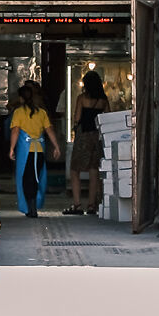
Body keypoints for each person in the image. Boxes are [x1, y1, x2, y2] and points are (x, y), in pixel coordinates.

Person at [7, 81, 59, 217]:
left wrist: (11, 148)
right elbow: (49, 130)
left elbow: (15, 131)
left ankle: (30, 209)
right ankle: (34, 207)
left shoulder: (18, 112)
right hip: (39, 151)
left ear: (21, 98)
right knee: (36, 179)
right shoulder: (41, 113)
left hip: (25, 153)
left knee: (26, 180)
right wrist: (56, 147)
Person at [64, 70, 109, 215]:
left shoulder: (82, 98)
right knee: (94, 170)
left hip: (83, 136)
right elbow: (108, 117)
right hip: (97, 136)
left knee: (75, 169)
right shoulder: (103, 100)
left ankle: (77, 205)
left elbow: (77, 118)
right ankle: (91, 205)